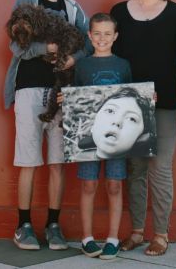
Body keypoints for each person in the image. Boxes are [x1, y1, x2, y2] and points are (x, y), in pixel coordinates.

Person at [4, 0, 92, 250]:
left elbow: (87, 46)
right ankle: (23, 225)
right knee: (28, 161)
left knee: (57, 162)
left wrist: (69, 61)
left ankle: (53, 225)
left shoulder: (73, 9)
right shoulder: (25, 0)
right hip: (28, 89)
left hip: (61, 91)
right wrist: (47, 48)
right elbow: (17, 45)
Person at [110, 0, 176, 256]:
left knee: (161, 168)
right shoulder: (118, 11)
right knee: (136, 169)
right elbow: (109, 55)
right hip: (129, 106)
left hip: (166, 104)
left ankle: (161, 234)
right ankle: (137, 232)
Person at [64, 13, 132, 259]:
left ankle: (113, 238)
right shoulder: (82, 66)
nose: (102, 38)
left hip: (117, 137)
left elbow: (132, 98)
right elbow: (76, 98)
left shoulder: (123, 65)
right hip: (88, 136)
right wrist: (67, 98)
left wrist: (147, 100)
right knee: (89, 183)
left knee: (114, 185)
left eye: (107, 34)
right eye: (97, 34)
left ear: (115, 37)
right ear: (90, 36)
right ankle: (87, 238)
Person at [77, 86, 156, 159]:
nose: (117, 121)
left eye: (132, 119)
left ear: (142, 137)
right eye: (110, 111)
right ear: (93, 126)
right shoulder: (79, 157)